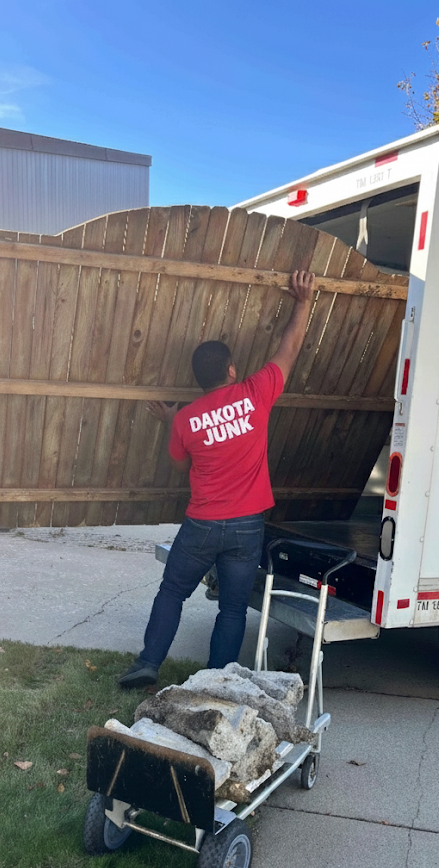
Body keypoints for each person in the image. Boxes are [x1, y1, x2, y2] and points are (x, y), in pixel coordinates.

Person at [118, 269, 316, 688]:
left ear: (199, 379)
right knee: (232, 609)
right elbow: (290, 347)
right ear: (231, 369)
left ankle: (148, 664)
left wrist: (171, 422)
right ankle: (217, 681)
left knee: (172, 592)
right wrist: (303, 302)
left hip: (202, 524)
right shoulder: (255, 393)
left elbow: (179, 467)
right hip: (247, 526)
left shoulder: (187, 419)